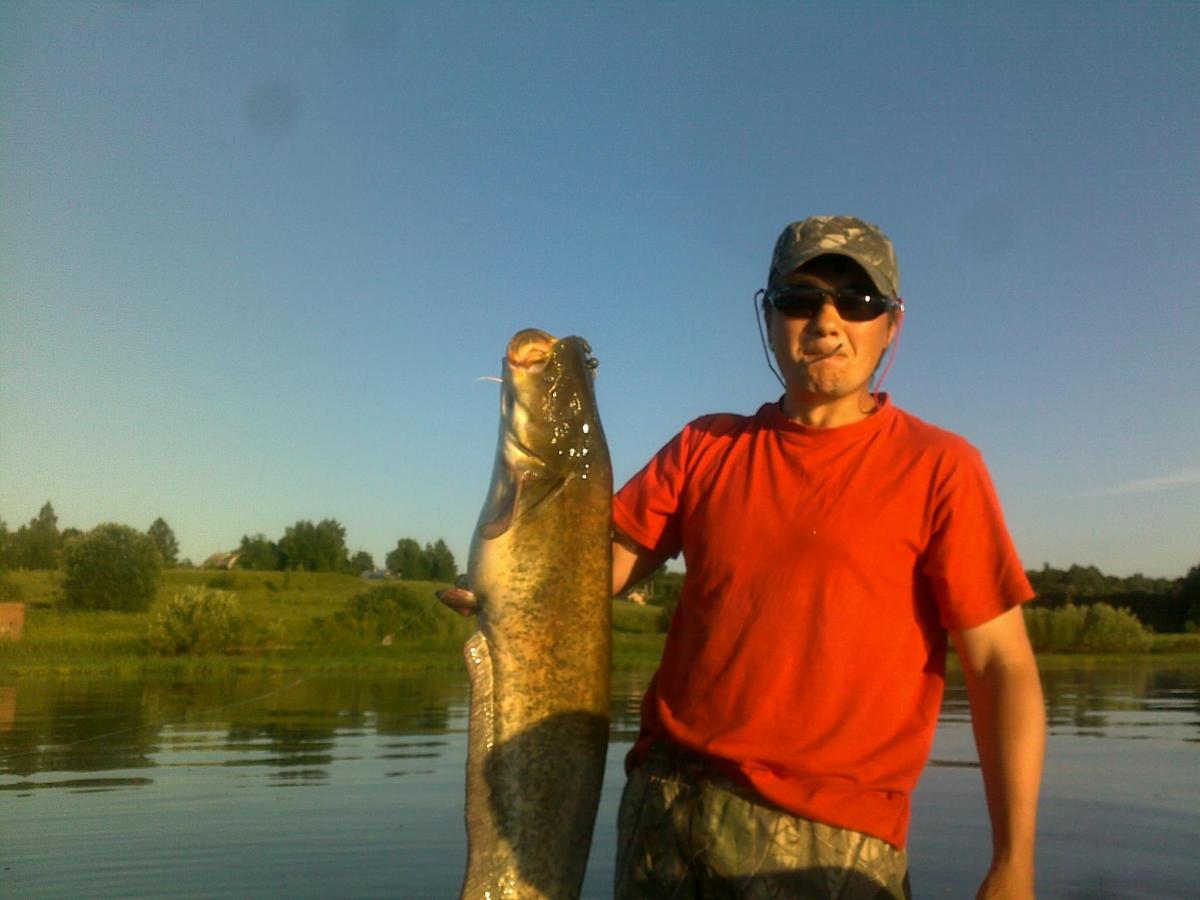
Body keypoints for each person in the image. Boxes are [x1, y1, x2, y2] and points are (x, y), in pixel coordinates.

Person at [611, 216, 1045, 899]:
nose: (826, 321)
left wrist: (1013, 861)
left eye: (857, 301)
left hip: (830, 840)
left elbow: (1001, 666)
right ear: (769, 316)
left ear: (891, 324)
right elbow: (580, 577)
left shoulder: (941, 467)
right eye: (800, 299)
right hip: (663, 814)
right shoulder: (705, 447)